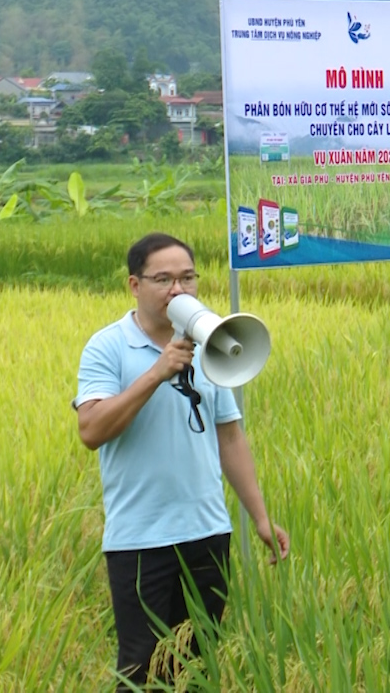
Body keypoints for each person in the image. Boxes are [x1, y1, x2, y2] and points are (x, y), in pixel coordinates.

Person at [73, 232, 289, 690]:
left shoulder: (209, 343)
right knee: (140, 668)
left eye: (188, 278)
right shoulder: (107, 347)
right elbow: (91, 431)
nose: (179, 290)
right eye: (164, 279)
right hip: (140, 539)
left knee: (196, 664)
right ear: (135, 284)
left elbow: (229, 437)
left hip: (207, 533)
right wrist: (157, 372)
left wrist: (261, 518)